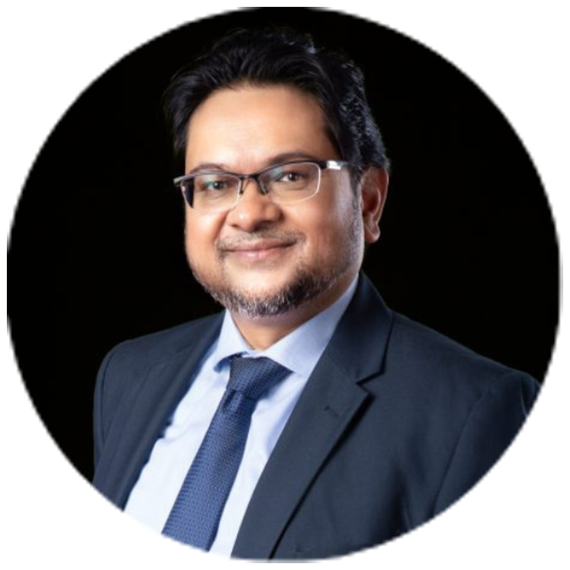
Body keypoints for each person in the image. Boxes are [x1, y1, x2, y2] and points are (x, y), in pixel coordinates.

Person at [90, 26, 543, 563]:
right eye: (215, 183)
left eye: (289, 176)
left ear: (368, 201)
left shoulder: (473, 412)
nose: (249, 214)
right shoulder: (129, 375)